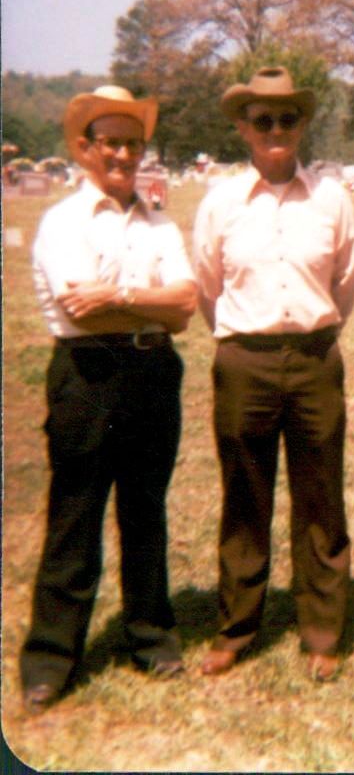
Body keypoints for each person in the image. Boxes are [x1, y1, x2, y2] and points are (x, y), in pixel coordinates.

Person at [21, 86, 199, 713]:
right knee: (76, 512)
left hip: (153, 372)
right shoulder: (63, 221)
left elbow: (186, 305)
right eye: (111, 143)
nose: (123, 154)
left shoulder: (159, 222)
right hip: (87, 374)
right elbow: (80, 308)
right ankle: (51, 657)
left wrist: (118, 295)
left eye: (133, 143)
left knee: (146, 510)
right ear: (84, 149)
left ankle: (151, 637)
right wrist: (148, 302)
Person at [193, 66, 354, 681]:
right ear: (243, 127)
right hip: (245, 360)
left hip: (315, 358)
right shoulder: (220, 203)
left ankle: (322, 629)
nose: (275, 130)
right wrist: (251, 336)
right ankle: (237, 626)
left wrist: (311, 334)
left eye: (287, 118)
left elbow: (345, 283)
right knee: (245, 495)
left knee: (321, 496)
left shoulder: (332, 199)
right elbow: (208, 287)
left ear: (302, 124)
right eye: (262, 120)